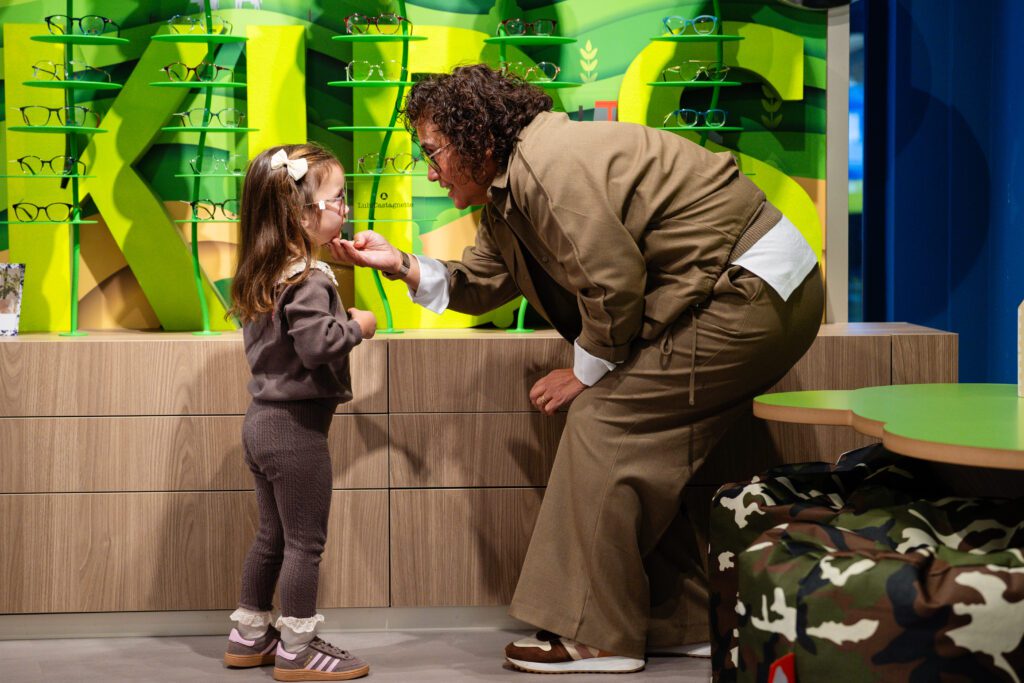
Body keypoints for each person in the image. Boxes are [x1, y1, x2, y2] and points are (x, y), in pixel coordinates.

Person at [331, 64, 823, 675]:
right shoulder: (515, 184)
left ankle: (598, 636)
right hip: (751, 291)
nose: (429, 170)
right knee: (637, 451)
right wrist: (402, 264)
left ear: (475, 137)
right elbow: (483, 279)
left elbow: (612, 284)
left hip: (751, 293)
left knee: (604, 425)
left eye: (433, 152)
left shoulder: (549, 168)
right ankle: (678, 621)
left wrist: (586, 372)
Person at [224, 143, 376, 681]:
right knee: (305, 544)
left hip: (261, 422)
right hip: (295, 431)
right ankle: (297, 647)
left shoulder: (265, 273)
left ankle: (249, 636)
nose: (345, 208)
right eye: (338, 198)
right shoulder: (308, 279)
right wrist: (358, 326)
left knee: (272, 536)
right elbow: (317, 346)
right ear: (301, 213)